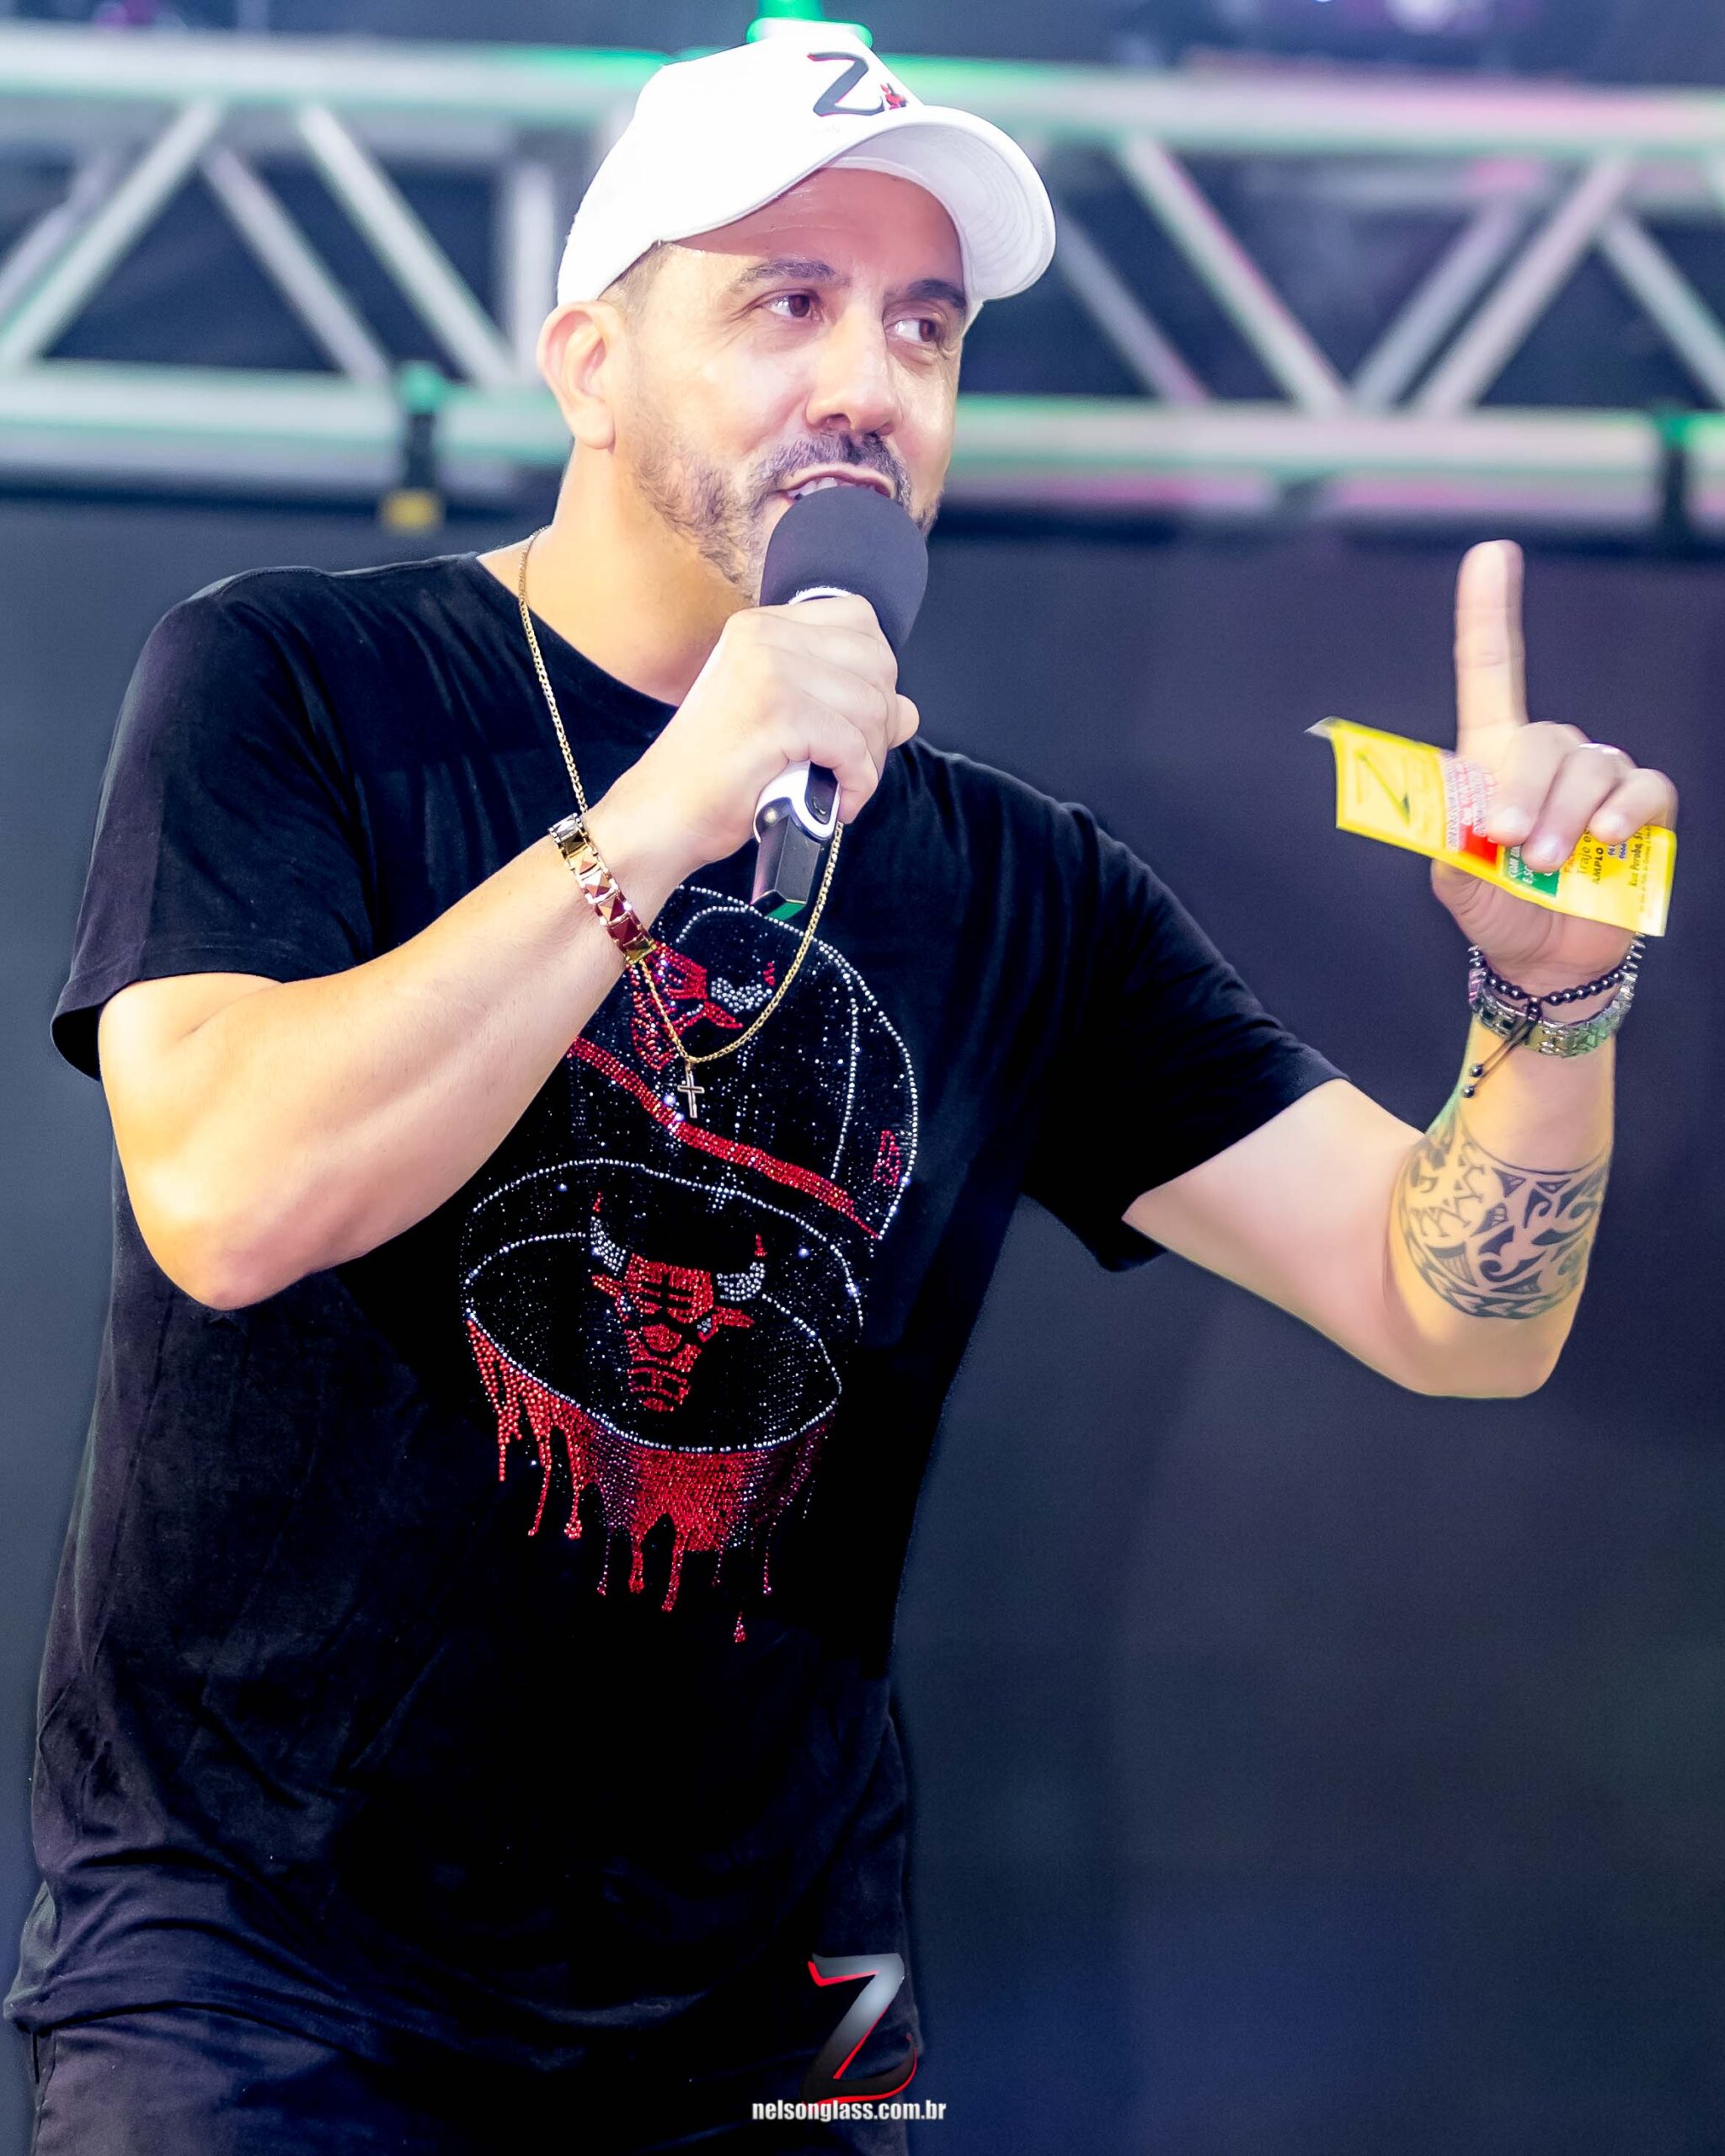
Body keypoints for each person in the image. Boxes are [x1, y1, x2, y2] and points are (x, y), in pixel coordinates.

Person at [7, 24, 1676, 2156]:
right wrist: (670, 804)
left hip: (777, 2002)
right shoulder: (299, 680)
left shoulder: (1020, 885)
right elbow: (233, 1194)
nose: (869, 382)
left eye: (922, 324)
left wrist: (1547, 1000)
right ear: (589, 364)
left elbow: (1455, 1308)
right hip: (259, 1971)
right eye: (784, 302)